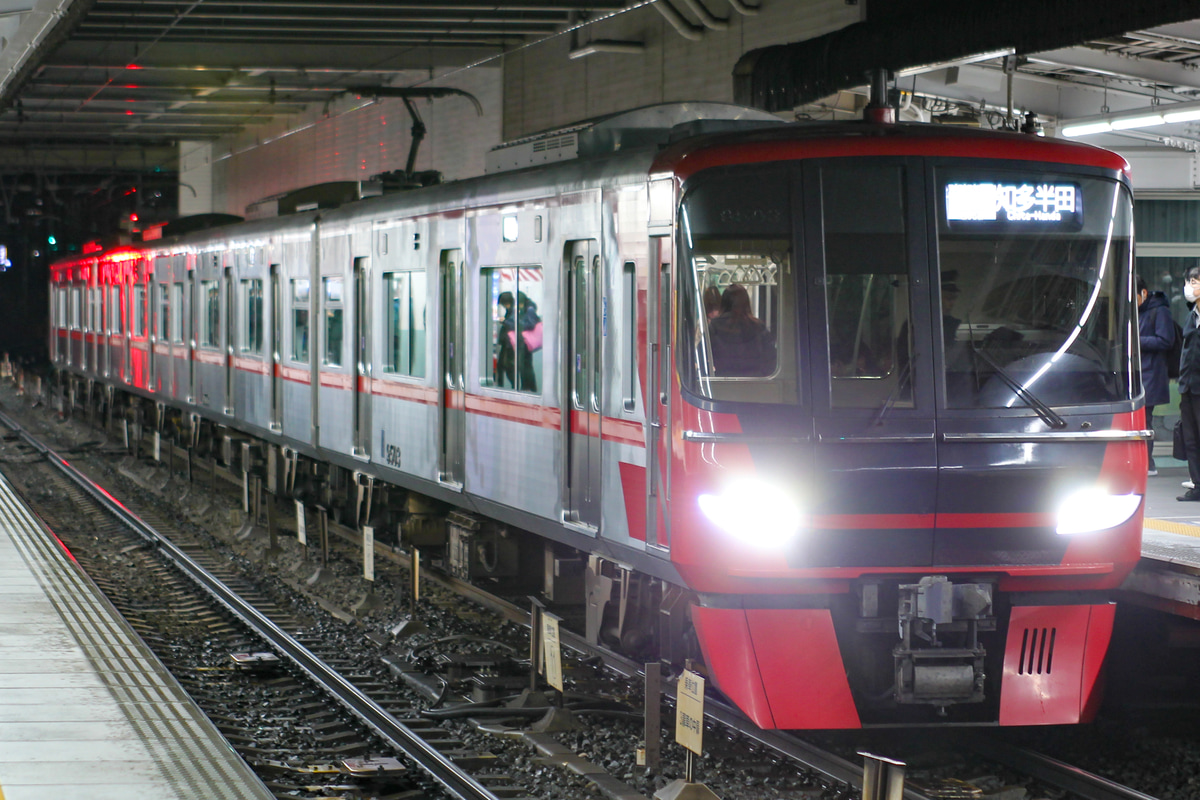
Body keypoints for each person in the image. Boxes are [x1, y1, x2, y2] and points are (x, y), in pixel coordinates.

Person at [1137, 276, 1173, 476]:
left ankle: (1148, 463)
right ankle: (1144, 462)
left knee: (1145, 419)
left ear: (1143, 292)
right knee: (1140, 419)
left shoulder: (1160, 310)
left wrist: (1136, 341)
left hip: (1151, 372)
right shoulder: (1138, 311)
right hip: (1138, 372)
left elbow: (1166, 340)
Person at [708, 283, 775, 376]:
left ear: (723, 303)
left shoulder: (713, 327)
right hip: (756, 383)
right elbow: (771, 358)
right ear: (746, 303)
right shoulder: (759, 327)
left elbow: (701, 356)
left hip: (723, 382)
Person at [1177, 266, 1200, 500]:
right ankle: (1197, 486)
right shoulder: (1191, 314)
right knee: (1191, 440)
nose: (1190, 286)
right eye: (1189, 281)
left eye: (1194, 281)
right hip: (1188, 387)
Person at [495, 291, 516, 387]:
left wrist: (505, 321)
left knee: (507, 367)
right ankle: (503, 385)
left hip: (509, 343)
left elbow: (514, 325)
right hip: (507, 343)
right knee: (502, 366)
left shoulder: (513, 311)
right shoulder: (511, 311)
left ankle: (513, 385)